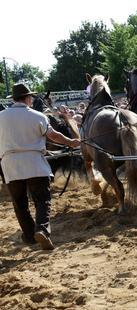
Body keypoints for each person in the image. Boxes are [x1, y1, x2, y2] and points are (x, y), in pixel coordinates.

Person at [0, 83, 81, 250]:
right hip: (34, 162)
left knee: (19, 204)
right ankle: (42, 230)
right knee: (43, 199)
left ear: (14, 99)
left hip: (10, 165)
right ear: (28, 98)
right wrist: (71, 142)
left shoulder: (1, 116)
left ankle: (30, 236)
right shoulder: (37, 115)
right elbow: (54, 135)